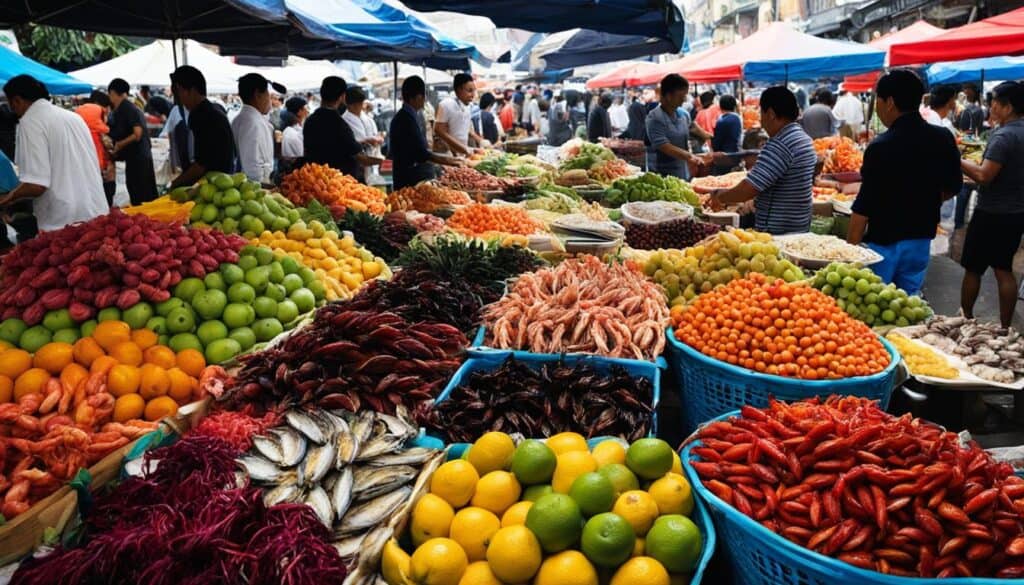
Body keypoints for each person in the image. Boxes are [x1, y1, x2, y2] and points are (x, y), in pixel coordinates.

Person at [847, 69, 962, 296]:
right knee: (907, 305)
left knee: (873, 306)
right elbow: (953, 186)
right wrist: (924, 200)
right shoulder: (942, 137)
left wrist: (849, 253)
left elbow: (864, 205)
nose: (878, 108)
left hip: (883, 245)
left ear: (889, 102)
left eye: (878, 101)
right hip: (920, 240)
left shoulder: (881, 146)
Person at [0, 75, 107, 232]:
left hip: (64, 222)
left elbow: (36, 185)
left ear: (17, 100)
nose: (13, 111)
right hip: (96, 211)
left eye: (11, 105)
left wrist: (8, 198)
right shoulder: (73, 117)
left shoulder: (31, 121)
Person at [709, 86, 817, 234]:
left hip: (777, 231)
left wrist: (720, 196)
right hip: (799, 225)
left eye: (761, 113)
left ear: (771, 114)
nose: (761, 119)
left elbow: (748, 189)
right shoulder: (803, 138)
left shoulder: (780, 143)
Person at [960, 81, 1024, 327]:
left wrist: (957, 159)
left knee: (973, 269)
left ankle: (965, 319)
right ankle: (1005, 327)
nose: (991, 108)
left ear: (1007, 107)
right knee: (1003, 268)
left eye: (994, 103)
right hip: (1016, 212)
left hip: (991, 212)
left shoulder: (1004, 135)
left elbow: (984, 175)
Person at [388, 76, 465, 190]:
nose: (425, 100)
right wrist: (450, 161)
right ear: (417, 97)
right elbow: (421, 153)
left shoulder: (414, 115)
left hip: (413, 174)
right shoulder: (404, 119)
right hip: (407, 180)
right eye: (424, 96)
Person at [168, 66, 237, 189]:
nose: (179, 100)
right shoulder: (212, 110)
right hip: (221, 181)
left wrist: (175, 184)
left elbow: (200, 165)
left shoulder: (201, 116)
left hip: (213, 186)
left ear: (191, 90)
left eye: (178, 93)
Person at [304, 76, 375, 180]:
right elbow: (359, 157)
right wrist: (383, 162)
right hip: (338, 182)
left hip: (315, 179)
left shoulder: (310, 121)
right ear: (342, 96)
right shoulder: (339, 123)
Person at [645, 75, 709, 180]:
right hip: (662, 174)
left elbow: (692, 130)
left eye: (685, 96)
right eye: (681, 96)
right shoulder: (654, 118)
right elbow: (663, 145)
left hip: (683, 171)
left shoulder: (683, 114)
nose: (684, 100)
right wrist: (689, 156)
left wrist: (706, 137)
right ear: (668, 96)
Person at [107, 78, 158, 205]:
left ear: (113, 93)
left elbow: (137, 134)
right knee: (135, 192)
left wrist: (119, 144)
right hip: (133, 159)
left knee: (142, 195)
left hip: (139, 160)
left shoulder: (128, 108)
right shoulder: (120, 110)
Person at [231, 73, 281, 184]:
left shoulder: (241, 119)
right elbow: (253, 167)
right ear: (258, 94)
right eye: (268, 94)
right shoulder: (252, 123)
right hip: (257, 187)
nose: (270, 100)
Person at [75, 90, 116, 206]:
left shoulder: (80, 128)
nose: (107, 113)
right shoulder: (99, 131)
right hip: (100, 174)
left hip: (92, 174)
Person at [435, 73, 485, 156]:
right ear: (459, 90)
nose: (473, 95)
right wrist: (464, 149)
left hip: (463, 154)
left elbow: (466, 129)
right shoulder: (446, 104)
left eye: (474, 91)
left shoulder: (467, 107)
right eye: (469, 91)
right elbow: (439, 130)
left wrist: (479, 142)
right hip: (448, 155)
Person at [342, 86, 383, 182]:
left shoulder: (367, 118)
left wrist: (378, 138)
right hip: (357, 167)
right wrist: (365, 141)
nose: (361, 106)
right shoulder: (344, 121)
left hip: (372, 163)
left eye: (361, 103)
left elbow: (374, 134)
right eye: (359, 104)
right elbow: (348, 144)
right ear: (350, 105)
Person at [710, 95, 743, 175]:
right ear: (734, 106)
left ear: (720, 106)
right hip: (736, 155)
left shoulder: (722, 120)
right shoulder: (737, 118)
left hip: (724, 158)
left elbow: (717, 143)